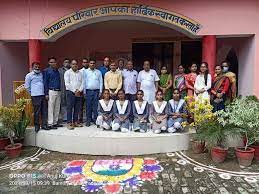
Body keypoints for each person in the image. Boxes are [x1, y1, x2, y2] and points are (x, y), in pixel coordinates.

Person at [25, 62, 48, 132]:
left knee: (44, 111)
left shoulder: (41, 74)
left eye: (38, 67)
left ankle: (44, 125)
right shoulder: (29, 75)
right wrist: (32, 93)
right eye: (35, 67)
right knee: (37, 112)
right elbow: (27, 87)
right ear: (32, 67)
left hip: (43, 95)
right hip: (35, 96)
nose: (37, 68)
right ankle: (37, 126)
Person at [64, 59, 84, 130]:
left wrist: (79, 90)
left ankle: (75, 122)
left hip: (79, 92)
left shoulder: (80, 73)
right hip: (70, 92)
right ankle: (69, 123)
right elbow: (67, 84)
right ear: (71, 65)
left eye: (75, 64)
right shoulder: (67, 73)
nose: (74, 65)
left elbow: (82, 83)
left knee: (77, 108)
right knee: (70, 108)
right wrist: (74, 91)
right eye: (73, 64)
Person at [43, 57, 62, 129]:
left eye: (53, 62)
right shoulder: (46, 71)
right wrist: (46, 93)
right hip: (51, 91)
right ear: (48, 63)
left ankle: (55, 122)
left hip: (58, 91)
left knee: (57, 107)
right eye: (51, 62)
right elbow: (45, 82)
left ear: (56, 62)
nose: (52, 63)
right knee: (51, 108)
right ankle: (50, 123)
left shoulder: (57, 70)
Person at [84, 58, 103, 127]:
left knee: (95, 107)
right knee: (88, 106)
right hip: (88, 91)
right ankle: (88, 120)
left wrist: (100, 91)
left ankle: (96, 120)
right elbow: (84, 82)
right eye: (91, 63)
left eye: (93, 63)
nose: (92, 64)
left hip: (96, 91)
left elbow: (101, 82)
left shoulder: (98, 72)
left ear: (95, 64)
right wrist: (84, 92)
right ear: (89, 64)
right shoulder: (85, 72)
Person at [58, 58, 70, 125]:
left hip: (70, 90)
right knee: (63, 103)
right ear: (63, 63)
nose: (67, 63)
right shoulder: (59, 70)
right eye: (65, 62)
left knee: (70, 104)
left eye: (68, 62)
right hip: (62, 89)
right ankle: (64, 118)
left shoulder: (72, 70)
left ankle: (69, 117)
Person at [79, 57, 89, 124]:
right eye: (84, 62)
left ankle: (88, 119)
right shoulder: (80, 71)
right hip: (81, 91)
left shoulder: (90, 70)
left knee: (88, 106)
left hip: (88, 91)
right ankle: (80, 119)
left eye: (86, 62)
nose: (85, 63)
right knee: (80, 106)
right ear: (82, 63)